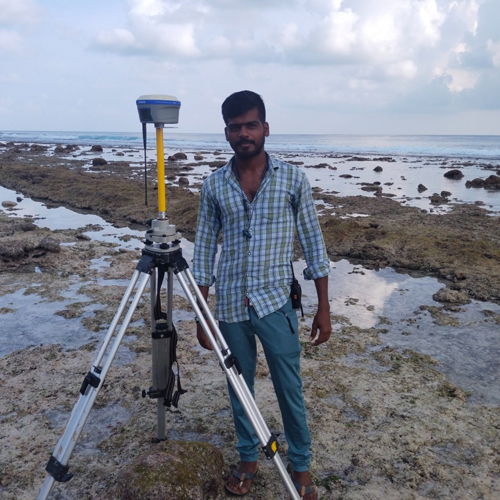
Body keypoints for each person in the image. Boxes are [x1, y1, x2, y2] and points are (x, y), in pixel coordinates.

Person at [192, 90, 331, 499]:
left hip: (276, 303)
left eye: (251, 125)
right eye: (235, 127)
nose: (244, 134)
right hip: (230, 304)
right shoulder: (214, 185)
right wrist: (201, 314)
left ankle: (301, 465)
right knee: (240, 387)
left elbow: (314, 243)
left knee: (290, 387)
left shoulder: (292, 179)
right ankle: (248, 458)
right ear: (226, 133)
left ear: (265, 128)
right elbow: (203, 251)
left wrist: (324, 307)